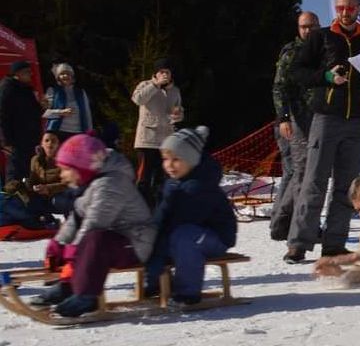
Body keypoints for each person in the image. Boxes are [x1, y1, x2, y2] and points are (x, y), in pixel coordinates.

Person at [285, 0, 360, 263]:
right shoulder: (321, 36)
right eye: (341, 8)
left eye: (350, 8)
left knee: (347, 186)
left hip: (355, 120)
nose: (345, 12)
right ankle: (299, 244)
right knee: (314, 181)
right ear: (335, 9)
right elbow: (297, 73)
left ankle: (334, 244)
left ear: (359, 9)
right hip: (326, 118)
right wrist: (327, 76)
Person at [31, 133, 156, 317]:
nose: (62, 175)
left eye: (66, 169)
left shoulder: (111, 184)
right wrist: (58, 243)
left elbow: (95, 222)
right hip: (118, 241)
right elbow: (77, 217)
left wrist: (73, 249)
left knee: (95, 239)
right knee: (92, 240)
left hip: (137, 243)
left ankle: (86, 296)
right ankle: (68, 286)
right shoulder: (93, 183)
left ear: (81, 167)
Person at [144, 126, 238, 304]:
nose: (169, 165)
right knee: (158, 236)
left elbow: (180, 221)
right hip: (189, 233)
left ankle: (188, 292)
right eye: (165, 159)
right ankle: (157, 283)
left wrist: (157, 241)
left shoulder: (199, 186)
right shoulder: (174, 183)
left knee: (183, 237)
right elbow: (162, 217)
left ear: (192, 160)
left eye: (176, 159)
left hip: (215, 237)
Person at [269, 11, 320, 242]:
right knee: (300, 173)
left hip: (319, 118)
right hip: (296, 121)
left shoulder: (324, 50)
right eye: (303, 26)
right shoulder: (292, 52)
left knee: (302, 173)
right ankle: (299, 227)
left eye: (311, 26)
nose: (307, 30)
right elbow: (279, 88)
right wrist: (284, 118)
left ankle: (281, 223)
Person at [132, 58, 183, 210]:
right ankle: (140, 209)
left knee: (163, 178)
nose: (165, 75)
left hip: (166, 141)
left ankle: (160, 209)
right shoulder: (145, 85)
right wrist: (155, 84)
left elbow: (179, 110)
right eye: (161, 72)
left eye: (167, 72)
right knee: (144, 178)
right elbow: (137, 99)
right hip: (146, 139)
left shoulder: (175, 90)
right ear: (155, 73)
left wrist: (178, 115)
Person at [0, 61, 42, 181]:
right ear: (18, 73)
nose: (31, 74)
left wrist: (42, 106)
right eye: (28, 72)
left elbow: (35, 111)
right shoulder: (7, 88)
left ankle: (28, 196)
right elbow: (3, 116)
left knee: (29, 169)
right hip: (16, 140)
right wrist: (6, 141)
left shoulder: (26, 89)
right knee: (15, 172)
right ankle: (13, 196)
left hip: (30, 138)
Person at [42, 63, 93, 142]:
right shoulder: (52, 91)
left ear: (72, 76)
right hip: (58, 132)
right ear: (58, 77)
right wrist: (61, 112)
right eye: (62, 74)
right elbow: (45, 113)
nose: (65, 76)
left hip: (78, 132)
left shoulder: (81, 92)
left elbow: (87, 113)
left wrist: (90, 132)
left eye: (68, 73)